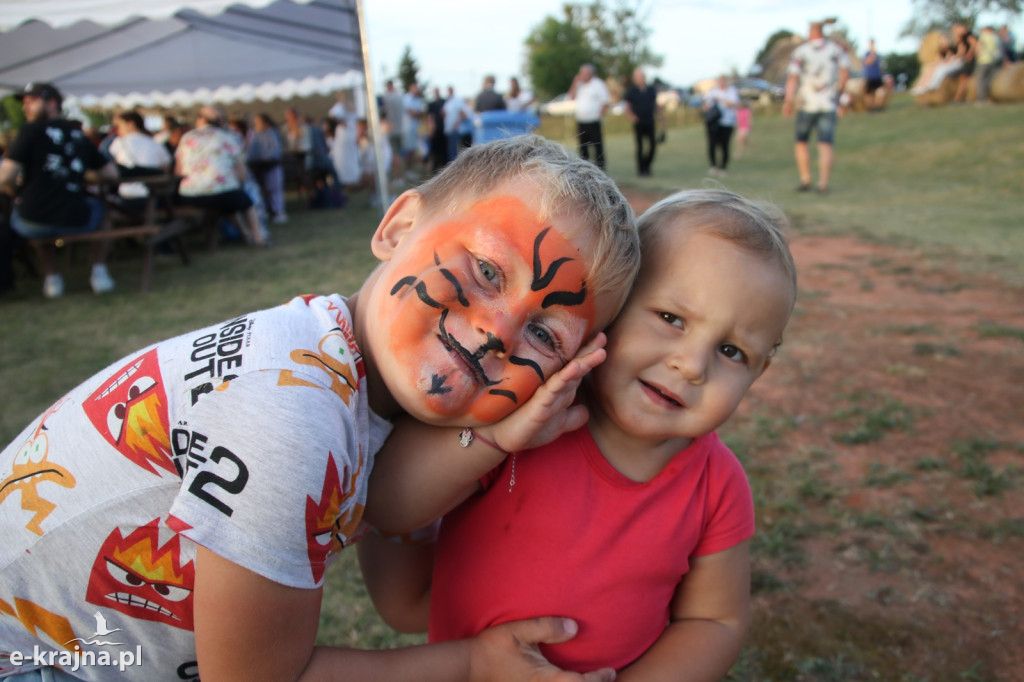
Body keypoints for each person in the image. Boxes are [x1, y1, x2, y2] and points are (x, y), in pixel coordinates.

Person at [0, 135, 641, 682]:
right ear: (398, 227)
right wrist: (470, 663)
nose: (499, 331)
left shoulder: (336, 352)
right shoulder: (290, 413)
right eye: (487, 271)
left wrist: (496, 441)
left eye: (547, 335)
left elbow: (401, 588)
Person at [359, 187, 798, 679]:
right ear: (608, 312)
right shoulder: (528, 415)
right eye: (671, 319)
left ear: (757, 373)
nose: (692, 365)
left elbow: (714, 620)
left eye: (732, 352)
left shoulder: (716, 484)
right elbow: (387, 502)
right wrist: (489, 440)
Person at [0, 82, 119, 298]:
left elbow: (5, 176)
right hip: (76, 218)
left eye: (31, 102)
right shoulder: (77, 135)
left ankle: (52, 276)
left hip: (31, 221)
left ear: (51, 103)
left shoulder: (29, 131)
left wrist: (15, 192)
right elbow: (111, 174)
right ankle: (99, 271)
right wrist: (84, 173)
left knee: (32, 215)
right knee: (103, 211)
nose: (25, 107)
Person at [175, 105, 266, 246]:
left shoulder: (187, 138)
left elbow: (178, 171)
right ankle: (257, 237)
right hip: (221, 192)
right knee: (245, 203)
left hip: (190, 195)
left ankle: (246, 234)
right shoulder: (228, 137)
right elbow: (242, 175)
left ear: (200, 120)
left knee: (229, 203)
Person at [782, 19, 850, 195]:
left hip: (807, 104)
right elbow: (845, 73)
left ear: (811, 32)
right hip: (829, 103)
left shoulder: (801, 52)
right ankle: (823, 183)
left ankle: (805, 180)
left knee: (801, 142)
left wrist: (788, 101)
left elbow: (793, 77)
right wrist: (839, 94)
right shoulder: (836, 49)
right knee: (825, 144)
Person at [107, 110, 173, 207]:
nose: (118, 130)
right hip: (154, 198)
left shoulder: (118, 142)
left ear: (131, 124)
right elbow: (166, 168)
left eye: (120, 126)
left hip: (126, 196)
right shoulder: (156, 144)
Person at [568, 64, 611, 171]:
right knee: (583, 147)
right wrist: (575, 82)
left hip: (593, 120)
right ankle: (585, 170)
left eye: (586, 73)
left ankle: (601, 169)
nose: (583, 75)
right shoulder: (579, 85)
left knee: (597, 146)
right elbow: (571, 97)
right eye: (582, 73)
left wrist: (599, 115)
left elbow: (605, 102)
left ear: (591, 73)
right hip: (582, 121)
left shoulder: (598, 84)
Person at [248, 113, 288, 224]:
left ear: (265, 123)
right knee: (262, 190)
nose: (256, 125)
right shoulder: (255, 135)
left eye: (258, 122)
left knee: (274, 189)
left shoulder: (272, 134)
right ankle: (265, 211)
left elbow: (274, 151)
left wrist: (265, 159)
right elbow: (252, 151)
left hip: (271, 165)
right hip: (259, 166)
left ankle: (278, 212)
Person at [622, 68, 658, 177]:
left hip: (650, 120)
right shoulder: (632, 90)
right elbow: (627, 106)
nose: (640, 79)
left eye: (641, 76)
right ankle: (641, 169)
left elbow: (654, 104)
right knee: (640, 146)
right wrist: (632, 116)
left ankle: (647, 166)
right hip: (639, 122)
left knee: (652, 144)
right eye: (638, 77)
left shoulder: (651, 89)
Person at [703, 75, 740, 177]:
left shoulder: (732, 91)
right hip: (714, 123)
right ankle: (713, 166)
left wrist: (719, 99)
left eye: (724, 81)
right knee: (712, 144)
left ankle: (723, 167)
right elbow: (705, 106)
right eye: (720, 81)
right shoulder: (712, 92)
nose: (722, 83)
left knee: (725, 145)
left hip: (727, 122)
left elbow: (733, 104)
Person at [951, 23, 979, 103]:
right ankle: (958, 97)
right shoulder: (961, 39)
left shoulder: (969, 36)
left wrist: (969, 55)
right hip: (964, 61)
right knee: (960, 78)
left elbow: (974, 45)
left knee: (963, 78)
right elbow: (960, 51)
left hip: (970, 61)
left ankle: (958, 97)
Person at [975, 26, 1002, 105]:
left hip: (984, 60)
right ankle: (989, 98)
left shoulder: (984, 36)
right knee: (989, 80)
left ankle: (981, 100)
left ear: (986, 30)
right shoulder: (995, 38)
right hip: (994, 61)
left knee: (980, 81)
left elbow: (979, 46)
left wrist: (976, 55)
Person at [862, 39, 885, 109]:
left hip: (877, 76)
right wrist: (872, 53)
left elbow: (880, 66)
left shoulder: (877, 55)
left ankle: (878, 106)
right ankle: (869, 107)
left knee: (880, 92)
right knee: (869, 93)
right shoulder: (867, 54)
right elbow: (869, 62)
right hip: (870, 77)